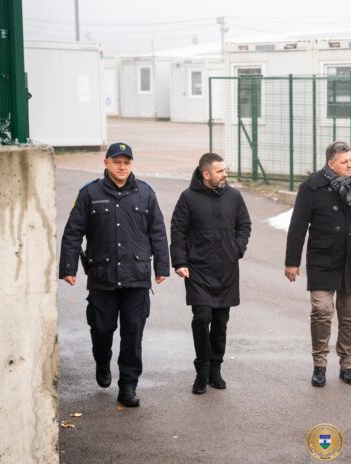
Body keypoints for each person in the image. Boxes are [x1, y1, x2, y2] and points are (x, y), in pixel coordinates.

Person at [59, 142, 170, 407]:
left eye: (126, 163)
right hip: (102, 276)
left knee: (133, 333)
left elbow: (157, 231)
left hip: (136, 277)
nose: (122, 167)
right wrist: (68, 268)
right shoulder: (89, 193)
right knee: (101, 329)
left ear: (131, 165)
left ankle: (128, 386)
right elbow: (73, 232)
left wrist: (162, 267)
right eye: (117, 162)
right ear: (106, 163)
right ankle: (102, 360)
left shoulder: (145, 193)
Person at [285, 141, 351, 387]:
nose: (350, 165)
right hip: (322, 259)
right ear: (331, 164)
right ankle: (320, 364)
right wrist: (292, 261)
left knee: (350, 317)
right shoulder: (311, 187)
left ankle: (347, 365)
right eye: (344, 162)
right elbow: (298, 225)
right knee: (321, 311)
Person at [170, 153, 251, 395]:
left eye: (225, 170)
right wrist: (180, 262)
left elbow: (244, 225)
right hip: (198, 270)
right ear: (206, 174)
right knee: (201, 317)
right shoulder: (188, 198)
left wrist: (237, 249)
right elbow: (178, 231)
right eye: (220, 171)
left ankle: (216, 369)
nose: (225, 174)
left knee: (220, 322)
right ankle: (202, 369)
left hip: (227, 270)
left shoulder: (234, 196)